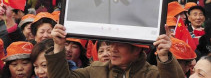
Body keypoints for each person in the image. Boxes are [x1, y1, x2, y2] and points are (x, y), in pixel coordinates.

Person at [45, 24, 184, 78]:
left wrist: (164, 56)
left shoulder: (152, 74)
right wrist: (58, 46)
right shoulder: (95, 71)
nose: (113, 49)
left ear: (136, 49)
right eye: (111, 43)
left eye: (120, 45)